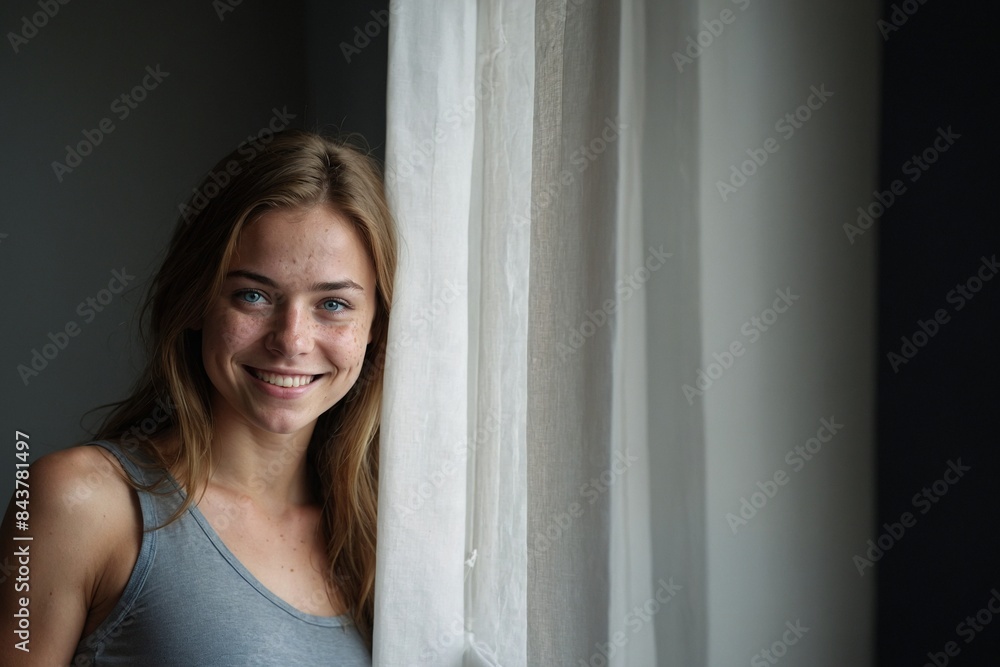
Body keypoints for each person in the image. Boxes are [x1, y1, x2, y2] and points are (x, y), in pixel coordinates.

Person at [0, 129, 397, 665]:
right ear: (195, 302)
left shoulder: (379, 539)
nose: (291, 340)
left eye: (333, 304)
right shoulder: (79, 503)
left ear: (375, 325)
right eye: (252, 295)